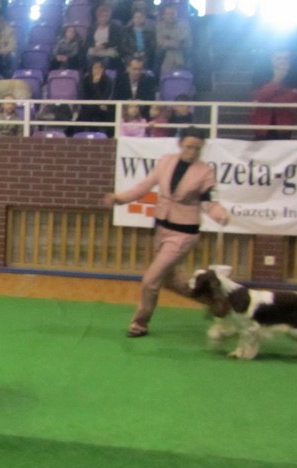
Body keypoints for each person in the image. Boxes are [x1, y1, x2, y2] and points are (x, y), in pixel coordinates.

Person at [102, 126, 229, 337]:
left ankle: (139, 324)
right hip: (162, 228)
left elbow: (209, 201)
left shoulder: (205, 171)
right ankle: (215, 301)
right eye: (188, 146)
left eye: (197, 148)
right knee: (168, 280)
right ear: (180, 144)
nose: (192, 152)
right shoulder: (166, 162)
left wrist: (220, 214)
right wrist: (119, 198)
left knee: (150, 280)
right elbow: (143, 186)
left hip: (184, 234)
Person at [249, 49, 297, 140]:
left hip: (284, 122)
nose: (282, 61)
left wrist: (269, 100)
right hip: (263, 122)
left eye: (286, 58)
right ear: (272, 59)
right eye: (279, 58)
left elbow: (292, 98)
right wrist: (276, 79)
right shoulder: (259, 75)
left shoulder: (296, 76)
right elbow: (260, 97)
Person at [76, 59, 115, 136]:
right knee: (84, 115)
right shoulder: (85, 80)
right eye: (96, 68)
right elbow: (83, 97)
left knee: (110, 114)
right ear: (91, 69)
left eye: (100, 68)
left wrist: (96, 85)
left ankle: (109, 137)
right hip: (89, 107)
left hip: (102, 109)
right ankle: (75, 136)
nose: (98, 70)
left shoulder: (108, 81)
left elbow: (103, 98)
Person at [112, 55, 157, 120]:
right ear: (128, 68)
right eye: (134, 69)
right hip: (123, 114)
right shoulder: (120, 79)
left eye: (140, 69)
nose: (137, 72)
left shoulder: (149, 80)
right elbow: (115, 98)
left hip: (143, 115)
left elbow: (151, 100)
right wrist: (127, 104)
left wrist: (141, 103)